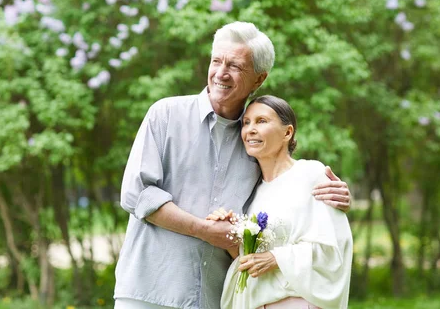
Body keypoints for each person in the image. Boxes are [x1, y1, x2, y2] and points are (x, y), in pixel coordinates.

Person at [114, 22, 351, 309]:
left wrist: (332, 197)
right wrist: (203, 229)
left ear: (259, 79)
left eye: (235, 66)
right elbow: (136, 194)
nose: (221, 73)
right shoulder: (165, 115)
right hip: (148, 291)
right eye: (216, 61)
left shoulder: (255, 144)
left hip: (212, 299)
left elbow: (284, 199)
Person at [210, 95, 352, 309]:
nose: (250, 129)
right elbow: (252, 261)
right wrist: (230, 234)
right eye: (246, 123)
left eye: (261, 121)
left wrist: (277, 258)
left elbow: (334, 248)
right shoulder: (250, 191)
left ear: (287, 132)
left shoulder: (310, 174)